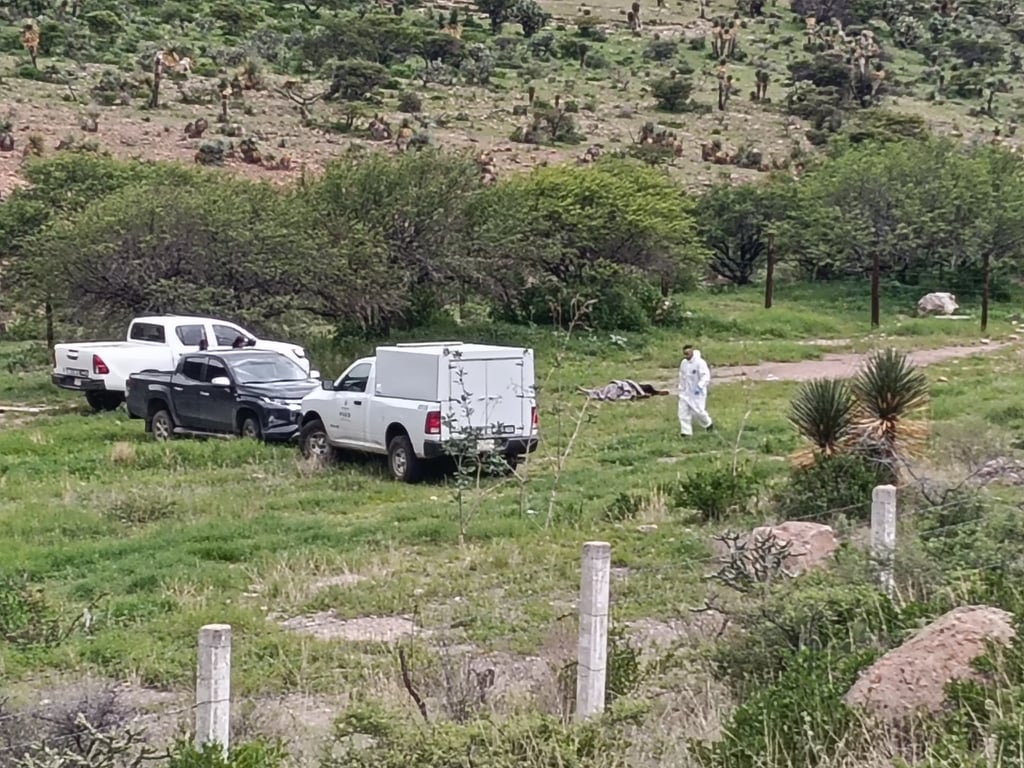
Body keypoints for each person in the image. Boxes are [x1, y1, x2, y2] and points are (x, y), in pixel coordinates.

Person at [678, 345, 713, 437]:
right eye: (685, 354)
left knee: (698, 411)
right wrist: (681, 388)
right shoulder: (684, 363)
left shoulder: (700, 363)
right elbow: (682, 376)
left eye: (688, 353)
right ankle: (686, 432)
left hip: (697, 393)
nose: (686, 355)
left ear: (692, 352)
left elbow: (705, 376)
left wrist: (699, 387)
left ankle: (708, 424)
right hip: (685, 392)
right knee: (683, 412)